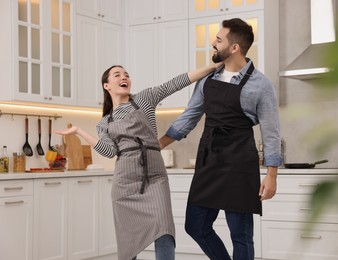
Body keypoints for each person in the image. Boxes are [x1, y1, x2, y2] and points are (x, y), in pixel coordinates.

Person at [55, 63, 222, 260]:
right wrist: (80, 132)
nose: (123, 77)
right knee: (128, 241)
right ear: (106, 85)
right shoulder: (104, 123)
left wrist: (215, 65)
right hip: (124, 182)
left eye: (126, 74)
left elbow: (177, 82)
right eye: (117, 75)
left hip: (154, 175)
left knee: (164, 230)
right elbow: (109, 151)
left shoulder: (144, 99)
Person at [159, 18, 282, 260]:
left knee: (241, 236)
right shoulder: (208, 79)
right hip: (209, 161)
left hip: (239, 163)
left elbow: (271, 131)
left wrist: (272, 174)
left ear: (234, 47)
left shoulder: (261, 85)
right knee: (195, 226)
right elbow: (190, 116)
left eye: (218, 39)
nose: (212, 44)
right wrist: (158, 144)